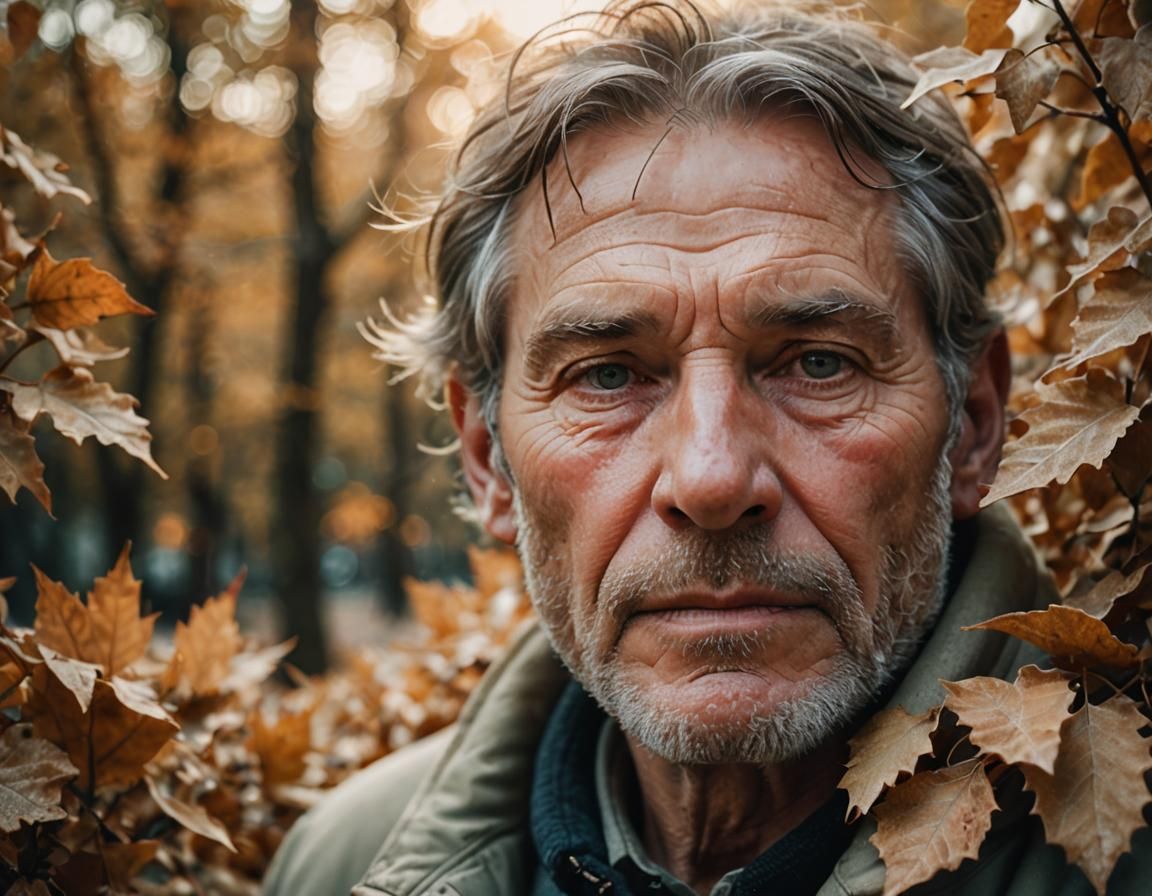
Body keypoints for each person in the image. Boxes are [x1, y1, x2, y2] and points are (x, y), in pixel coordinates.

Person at [263, 2, 1148, 894]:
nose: (712, 477)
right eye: (607, 376)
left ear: (976, 423)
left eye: (817, 363)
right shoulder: (339, 864)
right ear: (486, 456)